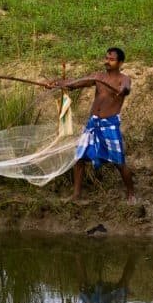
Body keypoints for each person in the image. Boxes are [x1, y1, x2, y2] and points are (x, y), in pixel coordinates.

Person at [52, 47, 135, 202]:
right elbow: (75, 84)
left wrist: (122, 90)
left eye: (111, 59)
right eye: (106, 58)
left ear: (120, 62)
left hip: (109, 124)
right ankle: (76, 195)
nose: (107, 62)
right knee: (80, 158)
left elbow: (126, 88)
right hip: (93, 124)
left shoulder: (123, 79)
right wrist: (58, 83)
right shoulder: (98, 77)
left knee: (119, 162)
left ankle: (131, 194)